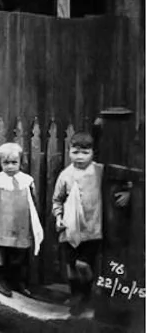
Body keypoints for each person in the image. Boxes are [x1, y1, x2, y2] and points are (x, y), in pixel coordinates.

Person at [52, 130, 131, 316]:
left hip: (92, 229)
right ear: (69, 151)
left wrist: (129, 192)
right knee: (71, 269)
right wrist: (58, 217)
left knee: (83, 265)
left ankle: (85, 295)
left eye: (85, 152)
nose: (79, 157)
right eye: (75, 151)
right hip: (70, 229)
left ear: (92, 152)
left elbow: (128, 179)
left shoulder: (99, 170)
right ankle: (76, 294)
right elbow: (57, 200)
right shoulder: (65, 175)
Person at [0, 142, 43, 297]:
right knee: (0, 251)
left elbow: (33, 201)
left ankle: (18, 281)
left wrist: (34, 219)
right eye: (6, 163)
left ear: (21, 163)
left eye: (14, 163)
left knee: (19, 253)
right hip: (1, 223)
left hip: (21, 223)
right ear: (0, 163)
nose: (10, 167)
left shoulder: (27, 180)